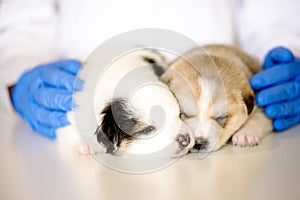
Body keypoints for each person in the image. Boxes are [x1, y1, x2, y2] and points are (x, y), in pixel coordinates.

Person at [1, 0, 299, 139]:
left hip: (226, 128)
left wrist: (288, 52)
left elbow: (275, 15)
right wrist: (22, 78)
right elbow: (19, 25)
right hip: (86, 122)